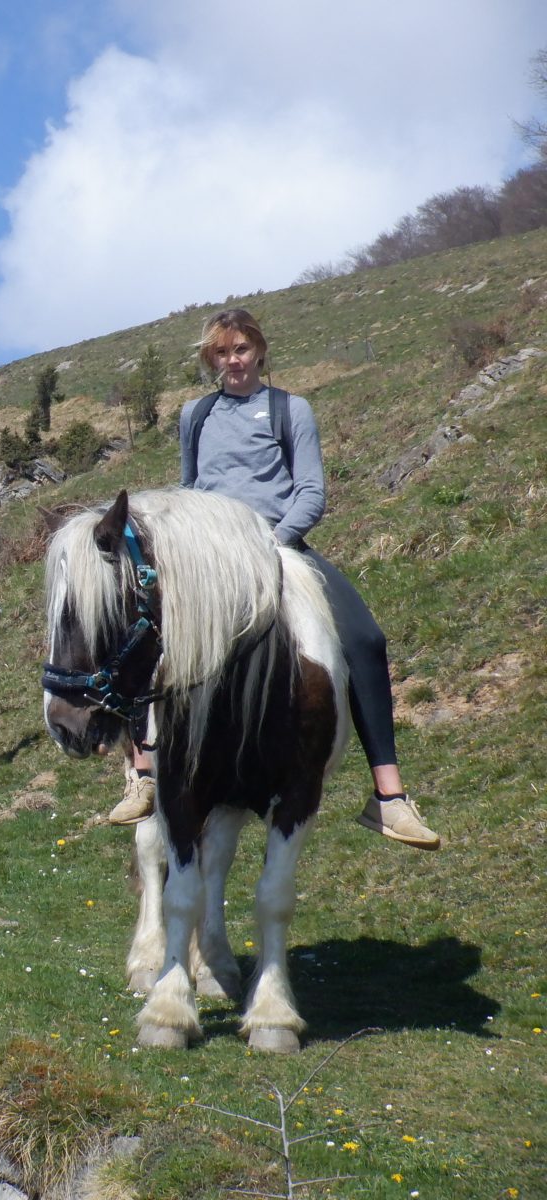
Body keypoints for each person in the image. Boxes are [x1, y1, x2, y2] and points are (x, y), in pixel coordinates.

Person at [109, 308, 441, 851]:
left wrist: (275, 541)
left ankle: (389, 797)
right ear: (210, 359)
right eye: (221, 352)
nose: (232, 361)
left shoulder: (291, 409)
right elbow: (190, 486)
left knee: (364, 638)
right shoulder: (195, 415)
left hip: (279, 545)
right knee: (138, 628)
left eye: (240, 349)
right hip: (212, 556)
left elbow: (311, 491)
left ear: (259, 352)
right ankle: (144, 773)